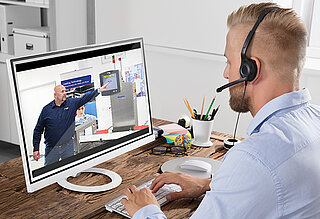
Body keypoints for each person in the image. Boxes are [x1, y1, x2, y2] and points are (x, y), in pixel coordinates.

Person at [121, 3, 320, 218]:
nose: (226, 74)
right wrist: (210, 184)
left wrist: (145, 210)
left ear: (250, 70)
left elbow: (263, 174)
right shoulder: (315, 119)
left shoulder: (255, 159)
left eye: (229, 62)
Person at [33, 82, 109, 166]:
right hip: (52, 148)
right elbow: (38, 130)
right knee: (49, 171)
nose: (65, 93)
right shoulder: (46, 110)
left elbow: (85, 98)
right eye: (62, 92)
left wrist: (98, 91)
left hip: (67, 146)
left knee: (70, 168)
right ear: (55, 95)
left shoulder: (71, 103)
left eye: (65, 91)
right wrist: (36, 148)